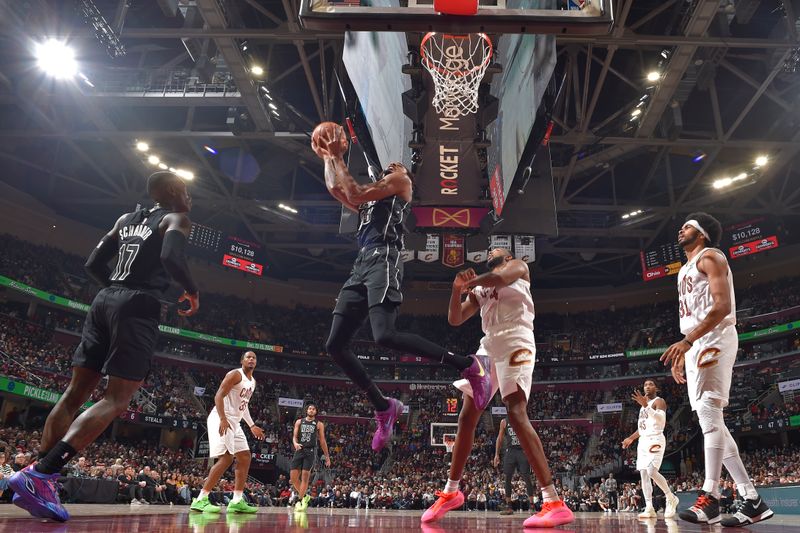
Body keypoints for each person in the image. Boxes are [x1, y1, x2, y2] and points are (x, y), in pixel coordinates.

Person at [9, 171, 199, 522]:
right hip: (137, 305)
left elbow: (93, 264)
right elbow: (172, 257)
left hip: (104, 299)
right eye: (186, 191)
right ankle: (39, 475)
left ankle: (41, 475)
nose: (190, 198)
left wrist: (112, 291)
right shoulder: (177, 218)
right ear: (172, 192)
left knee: (73, 394)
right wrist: (191, 289)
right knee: (117, 399)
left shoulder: (126, 219)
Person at [311, 125, 491, 451]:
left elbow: (352, 192)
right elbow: (338, 191)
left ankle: (467, 364)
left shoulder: (399, 183)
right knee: (335, 345)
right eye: (389, 165)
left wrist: (337, 155)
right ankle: (384, 406)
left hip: (385, 258)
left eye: (397, 163)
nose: (392, 164)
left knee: (384, 335)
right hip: (361, 265)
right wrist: (327, 157)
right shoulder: (370, 201)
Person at [421, 248, 574, 528]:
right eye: (489, 249)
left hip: (518, 339)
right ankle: (451, 492)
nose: (492, 249)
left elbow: (500, 279)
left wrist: (471, 281)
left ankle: (553, 501)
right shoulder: (481, 286)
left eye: (497, 249)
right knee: (467, 416)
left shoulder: (517, 266)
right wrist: (457, 290)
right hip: (488, 346)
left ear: (507, 256)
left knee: (515, 412)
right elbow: (455, 319)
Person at [661, 212, 773, 527]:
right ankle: (752, 499)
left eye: (688, 226)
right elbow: (694, 313)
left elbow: (722, 306)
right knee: (713, 424)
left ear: (702, 234)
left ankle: (711, 496)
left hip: (715, 337)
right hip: (698, 343)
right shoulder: (684, 268)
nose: (680, 228)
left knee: (710, 413)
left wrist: (688, 342)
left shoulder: (711, 257)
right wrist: (687, 348)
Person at [191, 351, 265, 514]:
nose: (251, 359)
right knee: (226, 458)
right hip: (220, 417)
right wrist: (223, 418)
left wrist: (252, 425)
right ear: (242, 361)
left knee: (245, 456)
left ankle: (237, 500)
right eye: (248, 357)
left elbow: (243, 406)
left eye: (254, 358)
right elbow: (218, 396)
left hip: (235, 422)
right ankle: (201, 499)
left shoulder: (252, 382)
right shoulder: (234, 374)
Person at [621, 379, 679, 519]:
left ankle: (670, 497)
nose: (647, 386)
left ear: (656, 388)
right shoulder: (642, 407)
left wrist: (646, 405)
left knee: (652, 471)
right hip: (643, 441)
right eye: (645, 385)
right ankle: (649, 508)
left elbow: (661, 421)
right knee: (644, 474)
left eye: (651, 384)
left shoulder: (659, 401)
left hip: (656, 439)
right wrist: (631, 438)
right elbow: (642, 428)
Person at [290, 403, 331, 512]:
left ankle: (299, 501)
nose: (311, 410)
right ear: (306, 410)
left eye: (313, 409)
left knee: (305, 477)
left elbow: (322, 441)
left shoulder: (319, 424)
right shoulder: (299, 421)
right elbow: (294, 437)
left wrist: (327, 456)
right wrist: (295, 443)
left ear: (316, 412)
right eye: (310, 408)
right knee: (293, 478)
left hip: (311, 451)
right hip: (299, 450)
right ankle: (305, 496)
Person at [493, 417, 535, 514]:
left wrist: (532, 454)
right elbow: (499, 438)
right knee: (507, 477)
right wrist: (496, 454)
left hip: (522, 451)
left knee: (526, 476)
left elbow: (531, 437)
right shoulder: (504, 422)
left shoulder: (523, 419)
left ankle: (532, 505)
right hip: (510, 451)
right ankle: (509, 506)